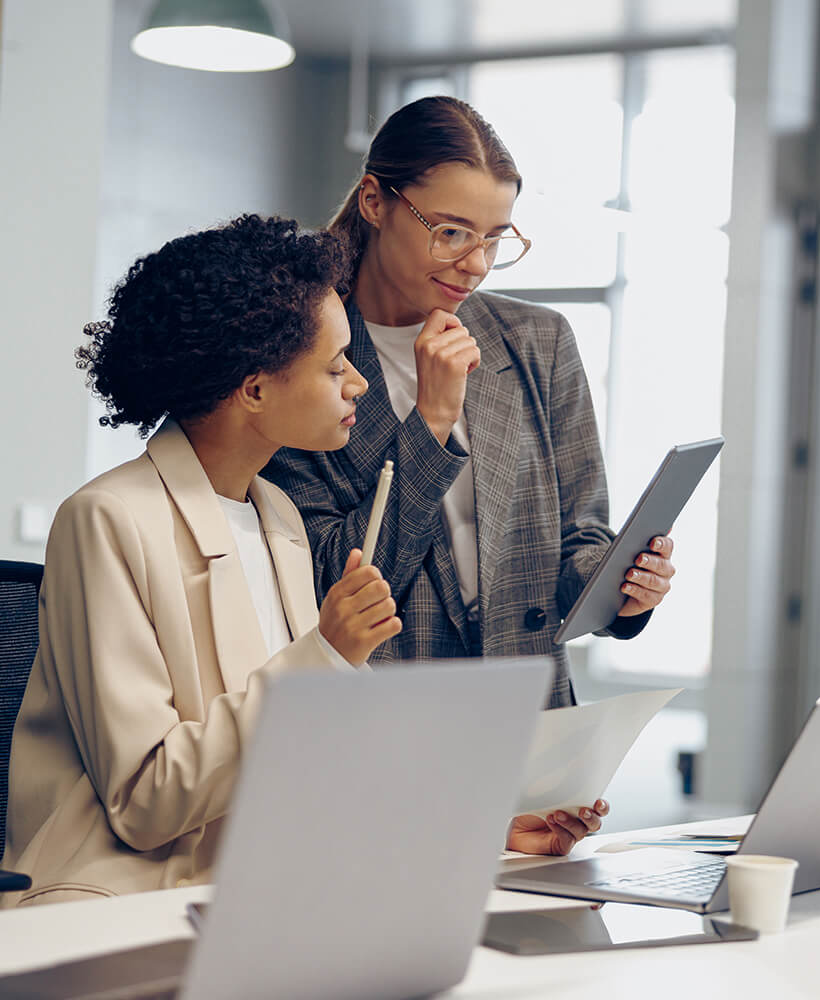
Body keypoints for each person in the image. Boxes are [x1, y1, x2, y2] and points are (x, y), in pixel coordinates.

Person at [263, 96, 675, 848]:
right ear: (376, 200)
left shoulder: (535, 340)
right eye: (451, 232)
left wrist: (622, 589)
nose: (475, 263)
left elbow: (579, 533)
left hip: (531, 732)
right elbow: (333, 575)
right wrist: (431, 423)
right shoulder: (301, 352)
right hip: (381, 733)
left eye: (494, 237)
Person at [3, 216, 401, 908]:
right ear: (254, 389)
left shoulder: (277, 515)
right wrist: (325, 656)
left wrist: (494, 825)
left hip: (262, 889)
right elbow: (146, 802)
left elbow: (309, 762)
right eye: (335, 364)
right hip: (125, 902)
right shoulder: (107, 519)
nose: (358, 383)